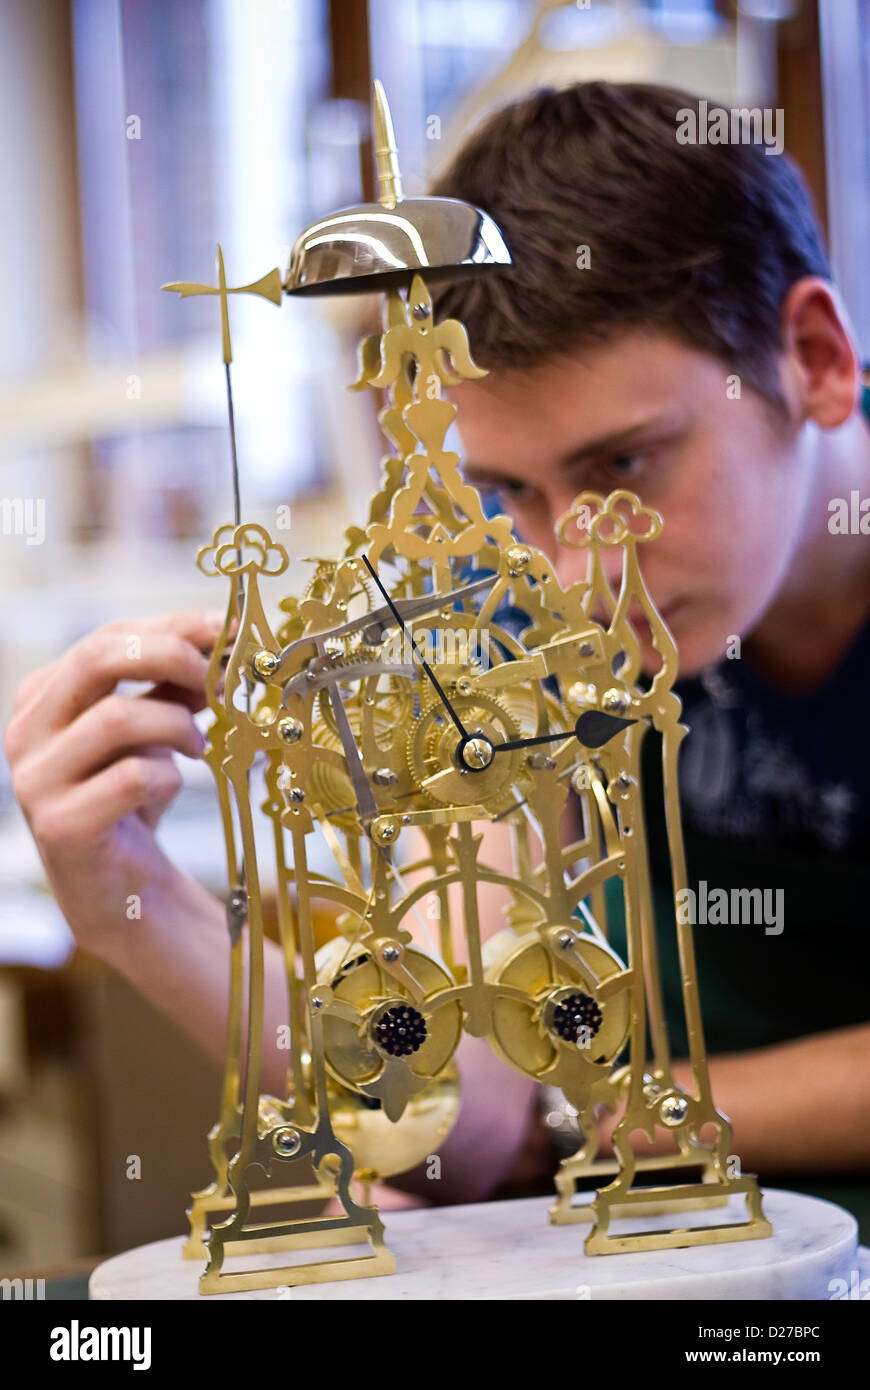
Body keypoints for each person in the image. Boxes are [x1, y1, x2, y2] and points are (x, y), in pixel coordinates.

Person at [6, 82, 869, 1230]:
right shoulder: (491, 592)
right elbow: (457, 1123)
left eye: (625, 466)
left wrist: (617, 1120)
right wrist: (131, 899)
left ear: (811, 357)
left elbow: (530, 1136)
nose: (569, 572)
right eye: (511, 486)